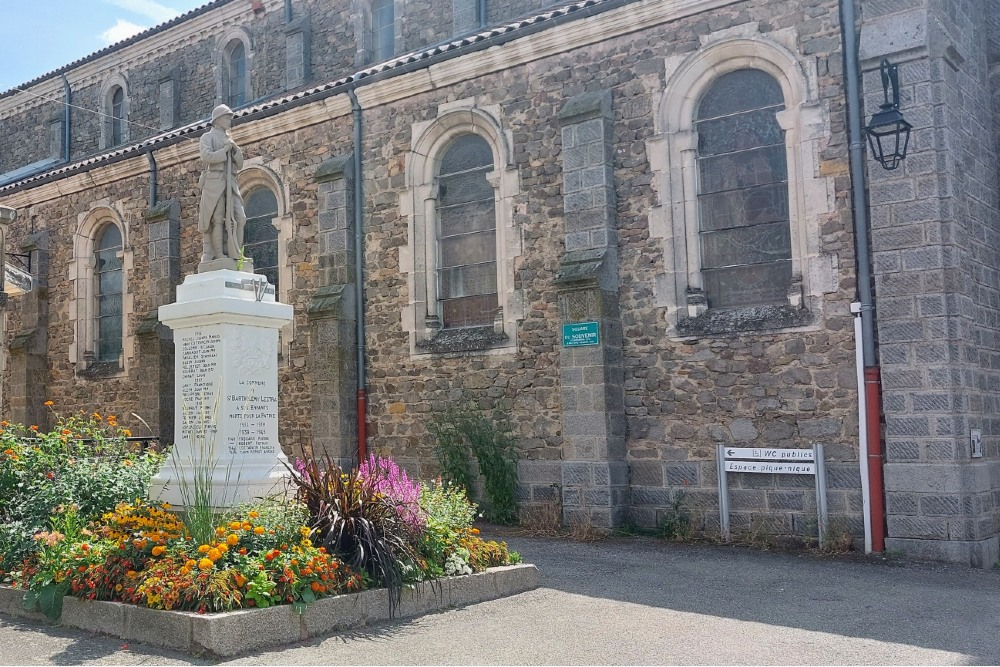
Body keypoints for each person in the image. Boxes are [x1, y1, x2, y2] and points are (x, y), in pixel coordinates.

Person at [198, 104, 246, 264]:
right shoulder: (207, 137)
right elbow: (207, 157)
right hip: (215, 181)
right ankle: (219, 254)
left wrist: (235, 150)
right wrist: (224, 151)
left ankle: (236, 253)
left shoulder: (229, 140)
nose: (230, 121)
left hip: (230, 181)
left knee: (240, 218)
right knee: (217, 218)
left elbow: (239, 164)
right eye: (227, 118)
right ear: (217, 120)